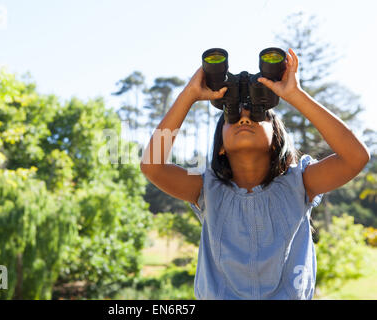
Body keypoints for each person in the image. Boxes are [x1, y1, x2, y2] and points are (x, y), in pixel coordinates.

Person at [140, 48, 370, 299]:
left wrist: (295, 95)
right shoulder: (207, 189)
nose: (244, 119)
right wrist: (189, 95)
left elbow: (356, 157)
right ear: (220, 148)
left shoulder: (299, 182)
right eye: (233, 116)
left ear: (276, 139)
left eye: (257, 114)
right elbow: (152, 165)